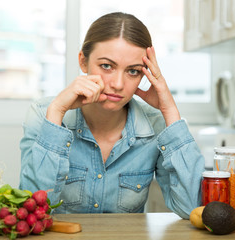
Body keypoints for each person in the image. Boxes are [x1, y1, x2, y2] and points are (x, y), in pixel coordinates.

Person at [19, 12, 205, 219]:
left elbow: (192, 209)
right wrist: (56, 113)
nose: (118, 84)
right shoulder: (44, 114)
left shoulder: (156, 126)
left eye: (133, 71)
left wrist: (170, 111)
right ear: (83, 61)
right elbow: (32, 210)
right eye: (107, 66)